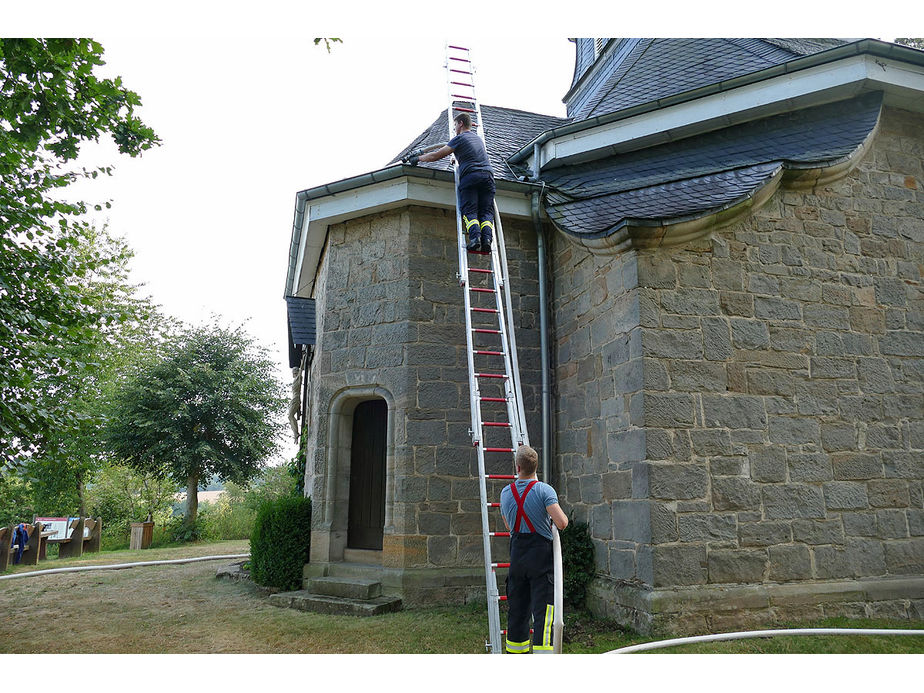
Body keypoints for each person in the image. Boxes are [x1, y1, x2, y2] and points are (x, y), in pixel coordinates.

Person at [499, 445, 568, 654]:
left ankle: (516, 654)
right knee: (544, 611)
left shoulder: (505, 493)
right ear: (535, 466)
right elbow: (562, 522)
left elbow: (509, 527)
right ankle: (543, 656)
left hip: (518, 558)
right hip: (541, 560)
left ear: (517, 466)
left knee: (517, 609)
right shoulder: (544, 491)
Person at [409, 112, 496, 253]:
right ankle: (487, 240)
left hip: (471, 177)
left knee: (470, 210)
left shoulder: (459, 138)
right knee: (486, 212)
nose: (455, 128)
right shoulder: (478, 139)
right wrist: (457, 159)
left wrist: (419, 158)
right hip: (488, 177)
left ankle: (475, 239)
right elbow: (472, 155)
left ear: (461, 123)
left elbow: (436, 155)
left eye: (455, 125)